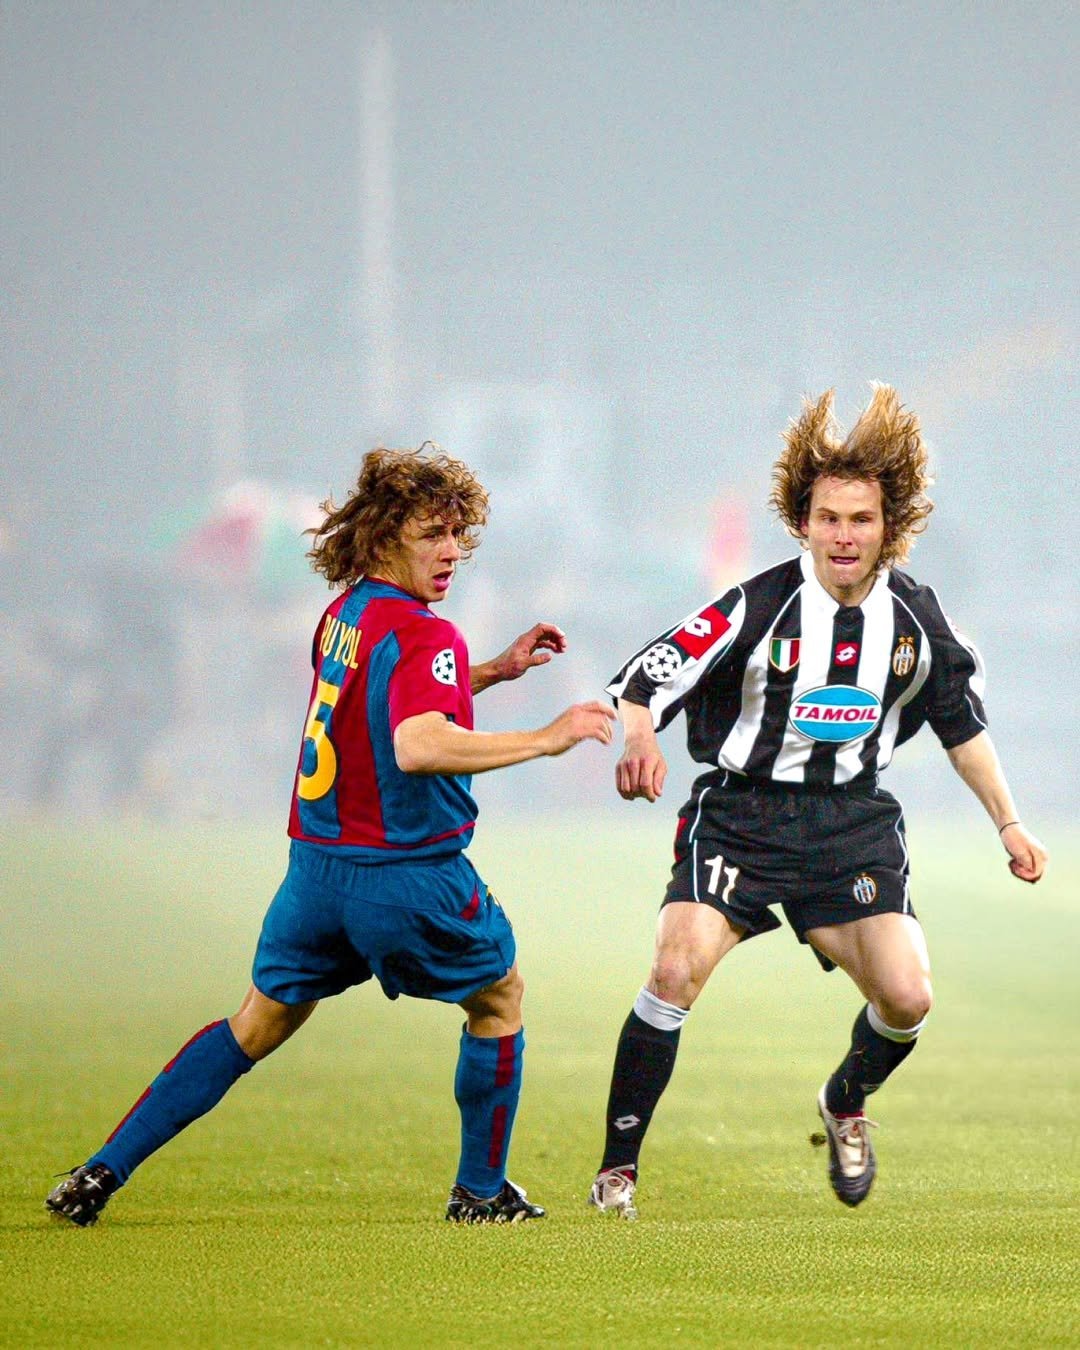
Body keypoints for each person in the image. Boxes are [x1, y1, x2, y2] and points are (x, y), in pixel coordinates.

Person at [46, 445, 615, 1227]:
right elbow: (417, 744)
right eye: (432, 533)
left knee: (255, 1023)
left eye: (457, 533)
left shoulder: (345, 614)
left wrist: (488, 671)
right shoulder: (426, 634)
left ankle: (98, 1172)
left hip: (315, 876)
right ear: (383, 535)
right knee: (498, 996)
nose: (451, 551)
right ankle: (480, 1193)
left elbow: (385, 702)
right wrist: (548, 735)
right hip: (408, 876)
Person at [587, 385, 1047, 1218]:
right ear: (803, 521)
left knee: (908, 998)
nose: (844, 535)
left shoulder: (915, 617)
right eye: (829, 517)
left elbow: (960, 724)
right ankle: (618, 1169)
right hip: (742, 817)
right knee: (673, 968)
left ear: (887, 527)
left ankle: (844, 1102)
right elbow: (648, 674)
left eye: (860, 520)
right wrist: (638, 734)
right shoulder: (758, 604)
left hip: (850, 826)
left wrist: (1008, 823)